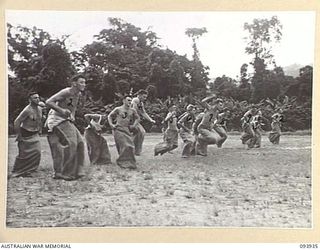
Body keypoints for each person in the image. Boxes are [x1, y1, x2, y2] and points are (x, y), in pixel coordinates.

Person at [45, 74, 88, 181]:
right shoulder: (66, 92)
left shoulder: (78, 94)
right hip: (56, 119)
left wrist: (72, 116)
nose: (84, 85)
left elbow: (73, 108)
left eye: (84, 82)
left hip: (65, 120)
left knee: (80, 142)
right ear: (74, 83)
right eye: (81, 82)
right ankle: (66, 172)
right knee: (71, 143)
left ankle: (78, 170)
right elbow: (49, 102)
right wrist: (61, 111)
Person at [11, 92, 43, 177]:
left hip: (35, 133)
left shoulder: (40, 108)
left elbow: (39, 120)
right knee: (23, 155)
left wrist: (40, 129)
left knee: (37, 152)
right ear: (30, 100)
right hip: (25, 133)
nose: (37, 99)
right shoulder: (27, 110)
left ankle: (31, 170)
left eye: (38, 97)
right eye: (35, 98)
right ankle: (18, 171)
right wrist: (18, 135)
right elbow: (17, 121)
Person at [108, 95, 140, 169]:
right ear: (124, 101)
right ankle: (123, 162)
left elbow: (138, 118)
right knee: (125, 145)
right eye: (128, 100)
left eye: (131, 100)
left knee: (131, 146)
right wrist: (111, 124)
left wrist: (134, 125)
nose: (130, 102)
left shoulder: (132, 110)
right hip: (118, 129)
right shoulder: (118, 109)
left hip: (127, 129)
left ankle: (130, 162)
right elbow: (109, 116)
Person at [131, 89, 156, 156]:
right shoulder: (135, 100)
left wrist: (150, 120)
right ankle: (134, 150)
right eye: (144, 97)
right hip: (131, 119)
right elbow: (134, 111)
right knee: (140, 132)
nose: (145, 98)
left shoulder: (140, 103)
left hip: (135, 119)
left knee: (141, 132)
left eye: (145, 97)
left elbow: (143, 112)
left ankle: (136, 151)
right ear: (139, 95)